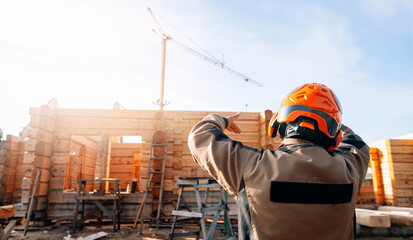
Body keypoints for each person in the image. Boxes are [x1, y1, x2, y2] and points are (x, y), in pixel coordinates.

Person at [188, 83, 370, 240]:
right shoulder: (350, 169)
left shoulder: (251, 166)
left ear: (278, 123)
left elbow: (200, 136)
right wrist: (329, 117)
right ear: (333, 134)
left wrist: (221, 120)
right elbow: (356, 142)